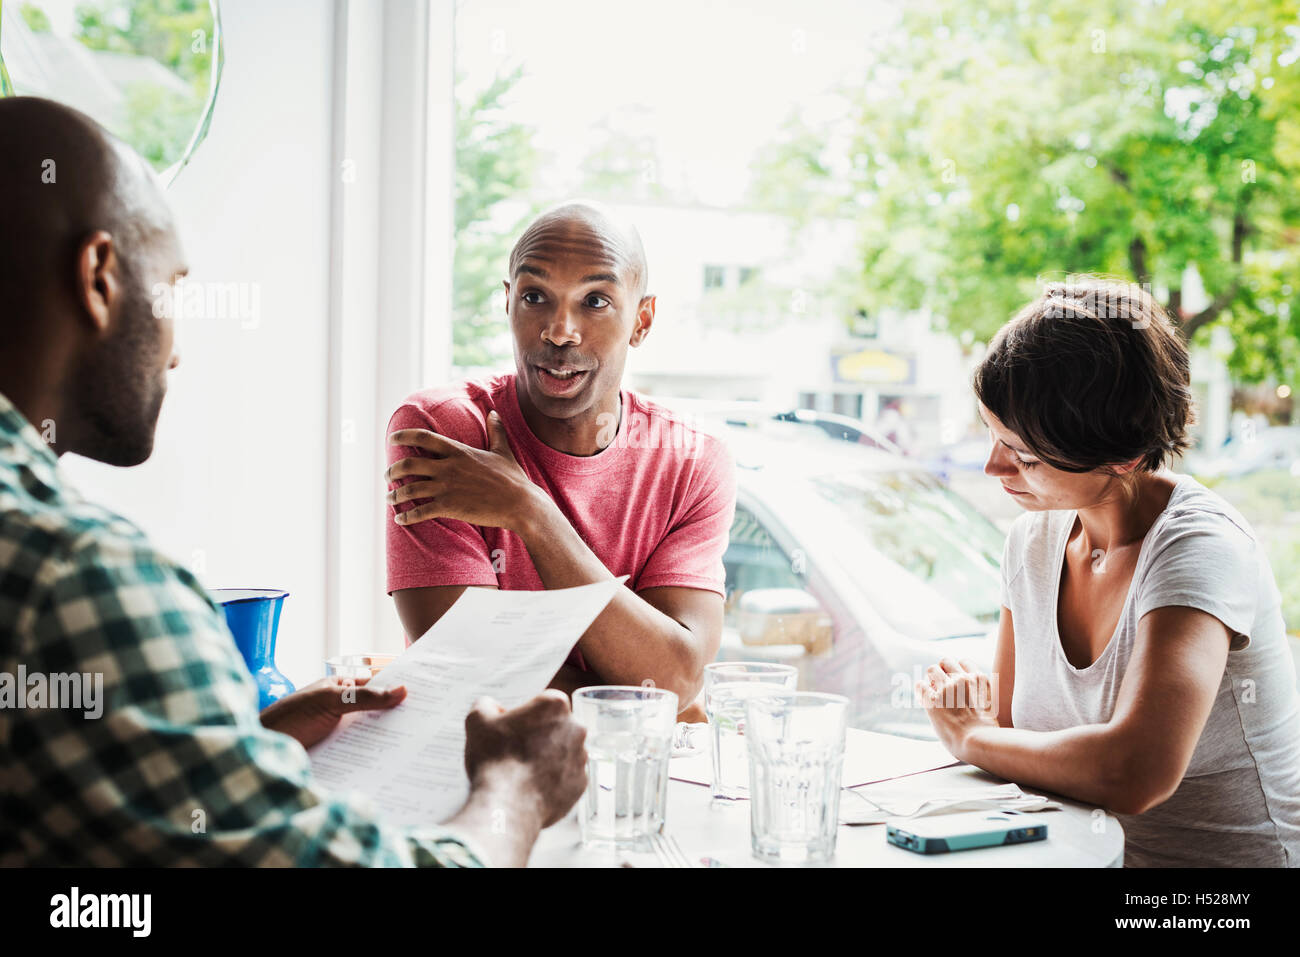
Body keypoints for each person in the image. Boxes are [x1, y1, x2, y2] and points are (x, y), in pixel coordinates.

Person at [0, 97, 587, 867]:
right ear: (100, 277)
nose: (177, 351)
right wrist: (516, 787)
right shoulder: (77, 579)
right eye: (173, 287)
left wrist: (248, 742)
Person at [917, 279, 1300, 867]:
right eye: (992, 436)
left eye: (1024, 455)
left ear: (1121, 456)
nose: (994, 467)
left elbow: (1136, 773)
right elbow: (1016, 737)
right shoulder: (1034, 541)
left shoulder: (1198, 547)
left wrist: (972, 735)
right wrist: (981, 719)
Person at [384, 202, 736, 710]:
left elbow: (675, 679)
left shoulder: (690, 461)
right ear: (508, 305)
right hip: (477, 762)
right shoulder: (443, 431)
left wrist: (529, 512)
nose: (559, 331)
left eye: (595, 301)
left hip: (633, 770)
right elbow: (458, 666)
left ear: (642, 320)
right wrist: (637, 689)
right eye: (534, 297)